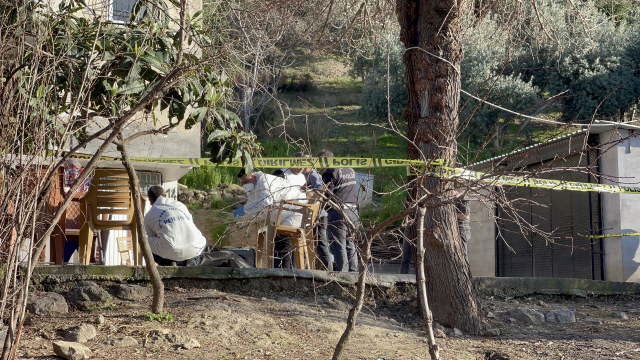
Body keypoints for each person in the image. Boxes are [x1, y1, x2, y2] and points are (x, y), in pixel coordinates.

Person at [235, 168, 307, 268]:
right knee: (278, 240)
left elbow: (266, 201)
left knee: (284, 239)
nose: (245, 185)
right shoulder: (254, 185)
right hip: (284, 214)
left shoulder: (265, 181)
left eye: (246, 182)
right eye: (243, 183)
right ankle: (286, 270)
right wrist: (247, 213)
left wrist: (245, 210)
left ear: (254, 176)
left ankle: (288, 272)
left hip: (295, 211)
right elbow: (255, 205)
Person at [400, 188, 470, 274]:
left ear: (455, 190)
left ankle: (466, 275)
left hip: (460, 229)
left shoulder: (462, 197)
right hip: (415, 227)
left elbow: (465, 215)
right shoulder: (418, 197)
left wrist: (447, 214)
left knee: (462, 255)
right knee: (406, 259)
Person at [318, 149, 360, 272]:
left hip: (338, 212)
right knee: (350, 244)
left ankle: (342, 276)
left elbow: (327, 196)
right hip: (353, 212)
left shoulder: (330, 173)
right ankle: (353, 273)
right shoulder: (349, 169)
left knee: (338, 245)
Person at [144, 186, 207, 266]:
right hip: (195, 248)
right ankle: (193, 261)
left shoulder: (150, 215)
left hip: (170, 250)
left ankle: (168, 263)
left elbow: (151, 236)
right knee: (201, 241)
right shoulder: (180, 205)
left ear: (150, 201)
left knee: (144, 241)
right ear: (165, 195)